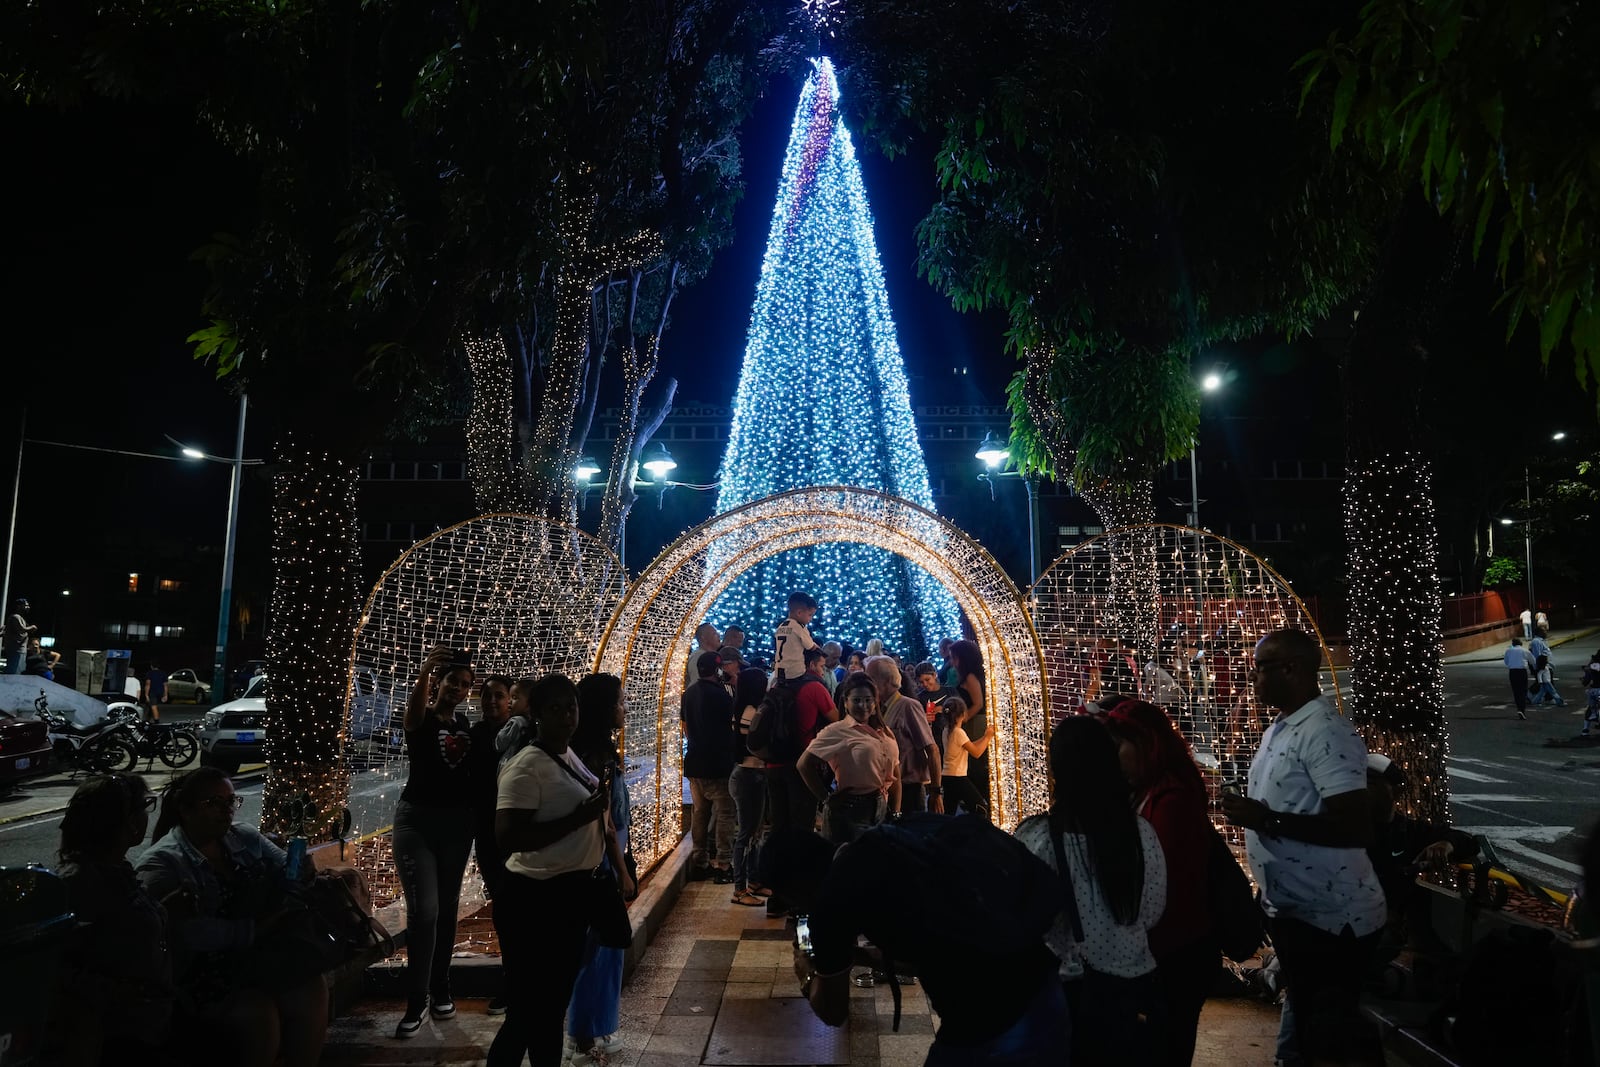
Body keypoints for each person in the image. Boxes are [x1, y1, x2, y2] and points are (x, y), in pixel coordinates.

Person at [761, 818, 1068, 1065]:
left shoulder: (829, 907)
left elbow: (833, 1011)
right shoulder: (891, 839)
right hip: (1044, 985)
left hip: (991, 1023)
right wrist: (866, 958)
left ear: (796, 885)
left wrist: (808, 969)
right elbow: (938, 946)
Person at [1221, 627, 1385, 1066]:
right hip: (1294, 910)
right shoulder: (1281, 726)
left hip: (1331, 918)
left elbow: (1354, 827)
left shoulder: (1325, 732)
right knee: (1304, 1009)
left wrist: (1265, 819)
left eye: (1259, 669)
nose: (1251, 678)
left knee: (1326, 1030)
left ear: (1291, 669)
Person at [136, 768, 328, 1067]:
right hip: (205, 973)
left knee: (311, 989)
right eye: (213, 803)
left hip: (259, 958)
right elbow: (185, 935)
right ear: (184, 809)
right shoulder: (163, 862)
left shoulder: (244, 837)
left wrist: (301, 869)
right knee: (259, 1015)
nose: (225, 812)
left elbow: (287, 877)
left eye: (230, 802)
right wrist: (255, 929)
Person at [1016, 715, 1168, 1064]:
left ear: (1056, 771)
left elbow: (1024, 918)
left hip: (1064, 990)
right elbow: (1152, 910)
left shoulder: (1037, 838)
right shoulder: (1141, 834)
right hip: (1128, 985)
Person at [490, 673, 610, 1067]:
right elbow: (509, 837)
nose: (566, 715)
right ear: (536, 714)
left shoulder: (564, 753)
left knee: (549, 1009)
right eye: (554, 708)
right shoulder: (526, 765)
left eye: (571, 706)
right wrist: (582, 817)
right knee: (527, 1012)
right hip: (534, 899)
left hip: (567, 895)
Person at [1103, 701, 1215, 1066]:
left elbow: (1163, 881)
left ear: (1145, 744)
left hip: (1174, 952)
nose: (1113, 755)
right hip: (1155, 951)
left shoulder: (1172, 798)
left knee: (1166, 1047)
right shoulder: (1143, 789)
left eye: (1119, 745)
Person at [49, 774, 173, 1064]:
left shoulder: (117, 870)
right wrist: (117, 992)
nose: (147, 815)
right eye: (144, 806)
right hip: (116, 1039)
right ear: (125, 821)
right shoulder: (79, 883)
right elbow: (55, 966)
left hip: (149, 1027)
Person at [392, 645, 478, 1036]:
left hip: (456, 826)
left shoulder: (466, 727)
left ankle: (441, 987)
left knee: (446, 909)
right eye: (452, 682)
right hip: (417, 823)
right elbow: (411, 717)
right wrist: (426, 667)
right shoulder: (422, 719)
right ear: (439, 683)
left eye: (464, 685)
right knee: (423, 911)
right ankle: (417, 998)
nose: (457, 689)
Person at [565, 673, 636, 1067]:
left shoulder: (594, 750)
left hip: (603, 859)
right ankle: (582, 1034)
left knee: (602, 948)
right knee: (598, 948)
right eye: (620, 701)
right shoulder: (596, 756)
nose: (624, 708)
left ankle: (594, 1028)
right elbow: (605, 822)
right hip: (601, 863)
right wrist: (622, 870)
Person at [1363, 753, 1478, 966]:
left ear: (1396, 791)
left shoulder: (1409, 832)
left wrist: (1446, 845)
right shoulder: (1341, 829)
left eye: (1370, 782)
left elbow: (1468, 842)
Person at [763, 645, 837, 918]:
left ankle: (776, 898)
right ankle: (799, 899)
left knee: (779, 830)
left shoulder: (775, 686)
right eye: (820, 666)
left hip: (773, 765)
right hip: (801, 766)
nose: (821, 670)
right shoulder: (815, 688)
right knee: (802, 832)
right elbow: (837, 721)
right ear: (810, 664)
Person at [798, 673, 900, 844]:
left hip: (882, 806)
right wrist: (826, 798)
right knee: (846, 866)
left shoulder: (885, 732)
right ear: (846, 702)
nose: (863, 705)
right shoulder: (837, 731)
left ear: (875, 703)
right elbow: (803, 764)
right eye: (857, 700)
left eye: (868, 700)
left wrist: (897, 812)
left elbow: (896, 774)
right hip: (851, 810)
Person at [469, 673, 514, 1017]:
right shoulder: (475, 735)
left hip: (517, 831)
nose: (492, 702)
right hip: (487, 832)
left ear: (511, 699)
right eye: (487, 696)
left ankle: (523, 980)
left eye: (499, 696)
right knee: (503, 905)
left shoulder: (521, 733)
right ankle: (510, 982)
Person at [682, 650, 737, 881]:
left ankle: (699, 861)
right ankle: (724, 864)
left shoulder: (689, 693)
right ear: (716, 670)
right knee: (725, 813)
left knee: (700, 813)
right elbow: (730, 728)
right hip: (717, 764)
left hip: (695, 762)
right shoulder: (721, 695)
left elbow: (685, 725)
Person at [867, 655, 944, 815]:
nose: (868, 685)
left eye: (871, 679)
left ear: (886, 681)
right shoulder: (878, 708)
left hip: (909, 789)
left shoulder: (908, 706)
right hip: (886, 789)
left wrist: (936, 792)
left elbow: (932, 749)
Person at [730, 667, 771, 906]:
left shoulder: (744, 708)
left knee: (754, 831)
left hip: (749, 773)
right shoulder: (751, 712)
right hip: (748, 774)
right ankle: (739, 889)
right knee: (746, 833)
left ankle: (754, 881)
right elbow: (755, 746)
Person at [947, 639, 990, 820]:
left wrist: (961, 720)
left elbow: (978, 703)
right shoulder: (969, 675)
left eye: (954, 657)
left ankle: (979, 802)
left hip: (975, 723)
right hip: (972, 721)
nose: (952, 661)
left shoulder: (970, 676)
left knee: (974, 762)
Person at [939, 697, 992, 817]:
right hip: (958, 777)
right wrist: (988, 737)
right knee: (980, 808)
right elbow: (976, 752)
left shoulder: (947, 730)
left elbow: (970, 746)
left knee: (949, 812)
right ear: (963, 714)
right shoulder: (959, 733)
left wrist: (984, 737)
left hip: (947, 776)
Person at [773, 591, 819, 684]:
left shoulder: (781, 626)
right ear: (799, 613)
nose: (811, 619)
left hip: (779, 671)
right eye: (810, 615)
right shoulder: (799, 627)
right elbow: (810, 646)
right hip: (795, 672)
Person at [2, 597, 35, 674]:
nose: (28, 607)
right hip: (15, 650)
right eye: (26, 605)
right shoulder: (15, 617)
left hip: (20, 650)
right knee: (13, 673)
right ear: (19, 606)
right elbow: (22, 629)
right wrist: (32, 627)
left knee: (19, 672)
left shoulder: (21, 618)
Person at [1504, 636, 1535, 719]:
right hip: (1522, 671)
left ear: (1513, 644)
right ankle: (1522, 709)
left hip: (1512, 672)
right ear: (1520, 643)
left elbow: (1506, 662)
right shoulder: (1524, 650)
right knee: (1523, 690)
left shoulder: (1508, 651)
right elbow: (1533, 661)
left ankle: (1519, 708)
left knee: (1516, 691)